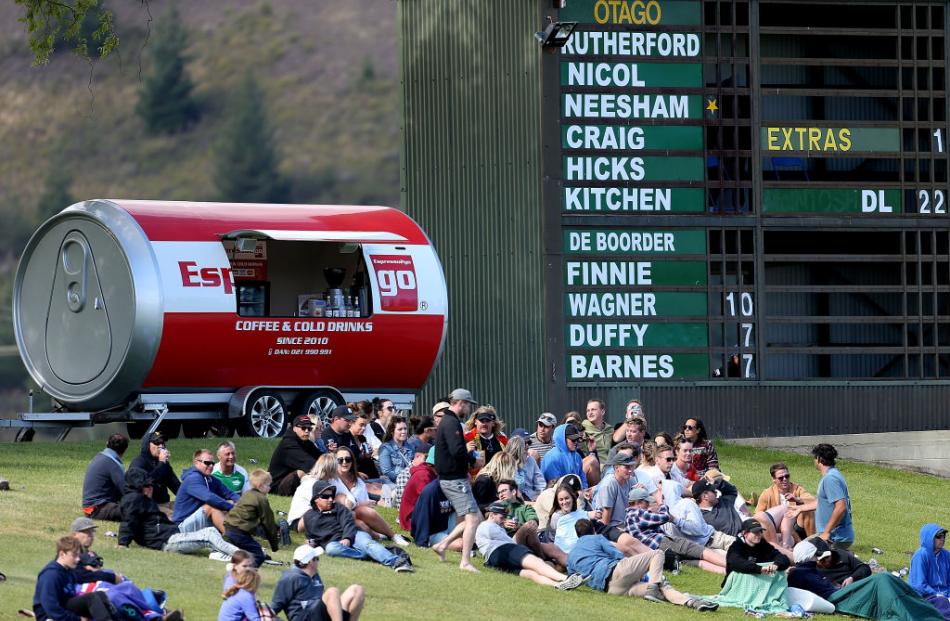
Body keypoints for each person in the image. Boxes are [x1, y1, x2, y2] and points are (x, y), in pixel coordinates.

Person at [567, 519, 718, 610]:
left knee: (661, 586)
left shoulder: (571, 556)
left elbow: (573, 577)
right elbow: (617, 555)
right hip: (615, 572)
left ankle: (691, 602)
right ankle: (653, 588)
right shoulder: (597, 538)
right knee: (657, 554)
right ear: (593, 530)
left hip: (611, 590)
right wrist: (635, 571)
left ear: (577, 534)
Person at [119, 467, 241, 559]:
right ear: (137, 487)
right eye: (146, 485)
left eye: (151, 485)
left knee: (211, 531)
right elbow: (128, 521)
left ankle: (226, 552)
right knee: (209, 534)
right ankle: (241, 556)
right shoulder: (133, 500)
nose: (151, 488)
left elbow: (152, 522)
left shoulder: (142, 500)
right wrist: (122, 544)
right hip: (165, 541)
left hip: (170, 534)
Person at [303, 480, 413, 573]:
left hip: (354, 535)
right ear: (316, 498)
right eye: (326, 496)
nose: (331, 499)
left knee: (367, 544)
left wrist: (347, 537)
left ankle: (397, 561)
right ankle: (375, 554)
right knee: (331, 549)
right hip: (335, 544)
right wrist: (311, 542)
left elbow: (348, 523)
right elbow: (313, 537)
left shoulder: (339, 508)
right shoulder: (309, 517)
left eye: (331, 495)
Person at [475, 502, 586, 590]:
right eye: (501, 517)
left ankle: (556, 585)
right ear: (492, 515)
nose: (504, 519)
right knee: (536, 563)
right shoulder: (487, 526)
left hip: (493, 561)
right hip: (504, 550)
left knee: (531, 574)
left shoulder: (491, 527)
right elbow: (509, 543)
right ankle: (566, 578)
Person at [432, 388, 483, 573]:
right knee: (472, 518)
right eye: (468, 404)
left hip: (456, 477)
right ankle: (465, 561)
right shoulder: (451, 422)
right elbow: (457, 451)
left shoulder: (448, 421)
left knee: (475, 517)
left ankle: (442, 545)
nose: (469, 409)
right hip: (454, 480)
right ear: (461, 403)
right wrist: (473, 460)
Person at [625, 485, 728, 574]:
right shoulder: (636, 514)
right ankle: (736, 567)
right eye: (646, 502)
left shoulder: (629, 518)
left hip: (660, 554)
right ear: (638, 502)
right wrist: (661, 503)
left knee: (697, 562)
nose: (648, 505)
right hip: (664, 543)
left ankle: (728, 572)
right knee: (701, 552)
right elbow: (664, 517)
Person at [334, 445, 409, 545]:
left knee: (361, 513)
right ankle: (383, 535)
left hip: (356, 515)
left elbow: (367, 506)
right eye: (340, 460)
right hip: (338, 517)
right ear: (334, 461)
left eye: (348, 459)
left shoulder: (358, 482)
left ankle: (392, 535)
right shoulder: (332, 480)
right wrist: (360, 504)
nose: (344, 462)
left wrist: (360, 505)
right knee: (359, 521)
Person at [33, 536, 120, 621]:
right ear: (62, 554)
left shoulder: (69, 571)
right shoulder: (51, 575)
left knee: (100, 595)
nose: (78, 559)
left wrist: (104, 575)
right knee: (91, 598)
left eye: (79, 555)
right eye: (74, 555)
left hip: (65, 609)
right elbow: (51, 608)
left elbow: (86, 577)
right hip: (50, 617)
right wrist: (78, 619)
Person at [272, 544, 365, 621]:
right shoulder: (289, 578)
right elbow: (275, 607)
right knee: (332, 592)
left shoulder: (315, 575)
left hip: (319, 615)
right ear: (310, 562)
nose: (318, 561)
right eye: (317, 558)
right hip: (304, 618)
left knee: (357, 590)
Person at [496, 479, 567, 567]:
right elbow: (489, 526)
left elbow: (533, 520)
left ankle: (577, 569)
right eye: (499, 493)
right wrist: (502, 523)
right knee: (528, 527)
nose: (501, 495)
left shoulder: (524, 508)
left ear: (513, 491)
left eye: (503, 491)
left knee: (552, 548)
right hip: (508, 543)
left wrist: (519, 526)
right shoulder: (496, 510)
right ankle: (542, 560)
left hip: (527, 541)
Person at [594, 452, 650, 556]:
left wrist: (642, 491)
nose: (630, 470)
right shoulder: (609, 485)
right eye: (626, 467)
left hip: (628, 524)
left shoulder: (631, 480)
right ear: (616, 467)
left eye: (631, 467)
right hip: (612, 528)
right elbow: (605, 522)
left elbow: (642, 505)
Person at [172, 448, 239, 533]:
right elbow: (209, 498)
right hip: (181, 527)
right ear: (196, 462)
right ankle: (232, 537)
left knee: (226, 505)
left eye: (212, 463)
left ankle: (249, 533)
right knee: (212, 507)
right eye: (207, 463)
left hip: (200, 521)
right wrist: (232, 507)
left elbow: (229, 493)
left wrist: (241, 504)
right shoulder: (192, 479)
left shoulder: (210, 479)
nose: (211, 466)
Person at [223, 469, 279, 567]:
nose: (270, 488)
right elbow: (268, 523)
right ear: (261, 486)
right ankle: (246, 574)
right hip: (239, 531)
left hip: (229, 526)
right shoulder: (261, 499)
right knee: (258, 555)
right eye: (268, 485)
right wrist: (274, 544)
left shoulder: (247, 494)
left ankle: (235, 567)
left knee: (244, 552)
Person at [754, 462, 816, 548]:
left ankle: (813, 542)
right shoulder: (767, 493)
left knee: (808, 512)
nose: (785, 479)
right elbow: (758, 516)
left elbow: (814, 502)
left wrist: (797, 499)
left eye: (787, 476)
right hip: (778, 529)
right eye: (780, 478)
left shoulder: (797, 489)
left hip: (797, 525)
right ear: (773, 479)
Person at [269, 415, 323, 496]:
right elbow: (310, 464)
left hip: (289, 481)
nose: (307, 431)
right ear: (294, 428)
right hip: (276, 487)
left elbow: (321, 457)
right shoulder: (289, 445)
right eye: (303, 428)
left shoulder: (305, 442)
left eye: (309, 428)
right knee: (303, 472)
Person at [812, 443, 854, 548]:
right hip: (834, 536)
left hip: (834, 537)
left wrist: (826, 532)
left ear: (819, 459)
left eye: (814, 458)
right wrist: (799, 505)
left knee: (803, 554)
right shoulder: (834, 474)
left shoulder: (830, 479)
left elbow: (841, 506)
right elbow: (823, 503)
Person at [128, 431, 180, 516]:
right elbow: (146, 482)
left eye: (162, 443)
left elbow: (176, 487)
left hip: (164, 504)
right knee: (174, 516)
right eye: (157, 443)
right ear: (147, 445)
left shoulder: (163, 464)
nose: (161, 446)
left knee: (190, 509)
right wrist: (161, 463)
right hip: (147, 506)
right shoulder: (138, 463)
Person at [81, 433, 129, 521]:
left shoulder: (99, 457)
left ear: (107, 444)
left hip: (90, 509)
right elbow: (124, 490)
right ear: (125, 450)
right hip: (98, 509)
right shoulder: (113, 463)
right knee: (136, 511)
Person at [288, 454, 339, 533]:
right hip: (298, 522)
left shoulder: (326, 482)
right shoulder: (311, 483)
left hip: (311, 517)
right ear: (330, 470)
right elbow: (320, 506)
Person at [725, 518, 791, 578]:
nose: (759, 534)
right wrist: (760, 569)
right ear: (745, 533)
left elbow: (783, 558)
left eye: (760, 531)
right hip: (738, 582)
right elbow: (737, 563)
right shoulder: (736, 547)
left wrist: (777, 564)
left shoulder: (762, 544)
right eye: (755, 532)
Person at [70, 517, 125, 586]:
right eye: (86, 532)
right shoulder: (70, 554)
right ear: (74, 535)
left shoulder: (90, 554)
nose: (90, 535)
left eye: (92, 531)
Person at [410, 479, 461, 553]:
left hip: (445, 524)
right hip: (433, 532)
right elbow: (423, 518)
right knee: (460, 544)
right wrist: (422, 541)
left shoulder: (455, 487)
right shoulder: (431, 491)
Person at [911, 523, 950, 619]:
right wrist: (937, 594)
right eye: (938, 536)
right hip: (926, 597)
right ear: (929, 538)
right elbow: (919, 585)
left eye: (943, 536)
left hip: (945, 597)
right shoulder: (920, 555)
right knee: (942, 602)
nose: (942, 539)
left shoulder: (946, 555)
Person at [547, 482, 597, 554]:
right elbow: (555, 539)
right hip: (564, 552)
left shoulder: (578, 513)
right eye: (561, 500)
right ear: (557, 502)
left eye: (567, 498)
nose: (564, 502)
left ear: (572, 498)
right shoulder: (556, 517)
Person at [398, 442, 437, 531]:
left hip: (419, 516)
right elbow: (429, 503)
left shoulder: (430, 473)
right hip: (412, 520)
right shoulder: (423, 475)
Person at [463, 405, 508, 477]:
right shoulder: (467, 438)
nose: (484, 424)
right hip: (476, 481)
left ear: (493, 423)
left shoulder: (502, 439)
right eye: (481, 421)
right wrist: (465, 450)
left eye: (487, 421)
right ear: (475, 422)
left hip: (498, 479)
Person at [697, 471, 744, 537]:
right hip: (731, 543)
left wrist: (717, 482)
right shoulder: (701, 516)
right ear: (705, 496)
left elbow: (732, 490)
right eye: (713, 491)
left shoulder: (724, 501)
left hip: (747, 536)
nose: (716, 493)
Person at [540, 423, 588, 488]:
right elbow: (556, 485)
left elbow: (582, 477)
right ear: (562, 439)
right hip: (556, 493)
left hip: (573, 492)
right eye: (573, 440)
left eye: (577, 439)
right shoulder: (552, 457)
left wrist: (584, 490)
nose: (576, 442)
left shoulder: (577, 456)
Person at [503, 435, 545, 501]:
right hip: (515, 499)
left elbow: (540, 482)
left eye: (529, 443)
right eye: (525, 443)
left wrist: (541, 495)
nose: (527, 446)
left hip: (532, 496)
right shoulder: (506, 465)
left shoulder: (530, 459)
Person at [378, 416, 413, 483]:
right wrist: (404, 477)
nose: (404, 432)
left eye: (405, 429)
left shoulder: (410, 447)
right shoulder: (386, 448)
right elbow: (387, 472)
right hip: (394, 483)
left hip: (410, 481)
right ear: (392, 431)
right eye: (400, 429)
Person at [347, 408, 380, 479]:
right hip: (356, 476)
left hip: (370, 474)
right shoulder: (346, 438)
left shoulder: (362, 438)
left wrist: (367, 455)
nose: (363, 428)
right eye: (361, 425)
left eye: (365, 425)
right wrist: (362, 456)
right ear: (352, 423)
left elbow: (368, 461)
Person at [581, 399, 613, 468]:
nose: (590, 413)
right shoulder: (582, 428)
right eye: (588, 410)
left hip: (611, 467)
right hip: (593, 468)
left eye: (593, 410)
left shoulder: (610, 429)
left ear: (602, 411)